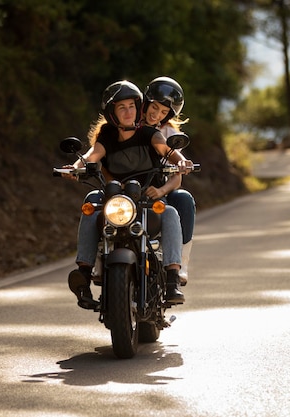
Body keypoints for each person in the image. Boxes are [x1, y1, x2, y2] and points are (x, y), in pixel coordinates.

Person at [62, 80, 193, 309]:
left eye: (131, 106)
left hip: (147, 197)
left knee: (171, 211)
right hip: (117, 197)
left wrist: (182, 162)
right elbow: (93, 155)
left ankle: (173, 278)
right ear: (112, 112)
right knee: (91, 203)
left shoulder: (152, 133)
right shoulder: (107, 134)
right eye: (121, 107)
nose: (128, 111)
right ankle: (84, 271)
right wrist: (75, 167)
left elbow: (168, 152)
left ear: (137, 106)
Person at [142, 76, 196, 286]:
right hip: (128, 188)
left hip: (158, 187)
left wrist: (161, 190)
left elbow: (177, 177)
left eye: (164, 112)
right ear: (146, 103)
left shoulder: (169, 134)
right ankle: (99, 263)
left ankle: (180, 263)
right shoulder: (127, 124)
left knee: (183, 199)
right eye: (154, 108)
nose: (156, 115)